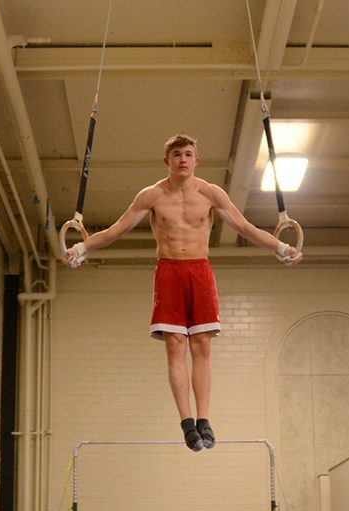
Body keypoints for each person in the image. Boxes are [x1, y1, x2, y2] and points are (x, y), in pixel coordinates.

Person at [61, 134, 302, 451]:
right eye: (177, 154)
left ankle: (205, 420)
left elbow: (245, 228)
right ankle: (187, 422)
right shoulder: (152, 196)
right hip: (169, 272)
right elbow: (116, 230)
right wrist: (81, 247)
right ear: (167, 161)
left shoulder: (211, 194)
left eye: (189, 154)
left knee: (202, 346)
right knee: (176, 347)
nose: (183, 159)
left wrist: (281, 247)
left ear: (197, 161)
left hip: (200, 271)